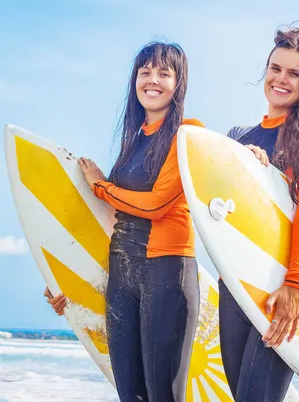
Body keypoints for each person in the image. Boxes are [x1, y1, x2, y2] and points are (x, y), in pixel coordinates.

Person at [45, 42, 203, 402]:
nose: (152, 80)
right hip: (122, 273)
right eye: (145, 72)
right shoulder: (133, 141)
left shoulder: (187, 134)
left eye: (164, 73)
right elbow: (111, 217)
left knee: (163, 394)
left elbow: (155, 206)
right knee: (129, 394)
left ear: (178, 84)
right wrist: (62, 274)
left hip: (166, 272)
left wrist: (101, 186)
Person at [219, 26, 299, 402]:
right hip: (236, 284)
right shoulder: (239, 138)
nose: (281, 79)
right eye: (276, 68)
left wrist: (295, 286)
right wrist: (250, 172)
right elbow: (219, 208)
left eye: (294, 73)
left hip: (278, 288)